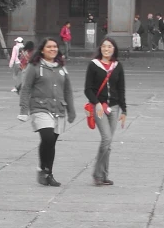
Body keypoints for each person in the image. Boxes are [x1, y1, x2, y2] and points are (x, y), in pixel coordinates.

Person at [18, 38, 75, 188]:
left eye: (55, 46)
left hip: (58, 109)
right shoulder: (34, 66)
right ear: (42, 50)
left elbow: (67, 90)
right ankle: (43, 169)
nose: (52, 49)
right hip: (40, 107)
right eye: (49, 47)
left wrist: (71, 110)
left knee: (51, 143)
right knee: (48, 137)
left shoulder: (61, 67)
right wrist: (23, 110)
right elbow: (26, 88)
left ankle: (47, 172)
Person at [85, 38, 126, 187]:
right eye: (104, 46)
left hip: (114, 108)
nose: (106, 49)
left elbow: (121, 89)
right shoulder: (93, 65)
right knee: (106, 138)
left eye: (109, 47)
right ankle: (97, 174)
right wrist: (96, 103)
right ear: (100, 48)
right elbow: (88, 89)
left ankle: (103, 175)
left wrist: (124, 110)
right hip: (99, 108)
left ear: (114, 49)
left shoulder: (117, 66)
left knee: (108, 144)